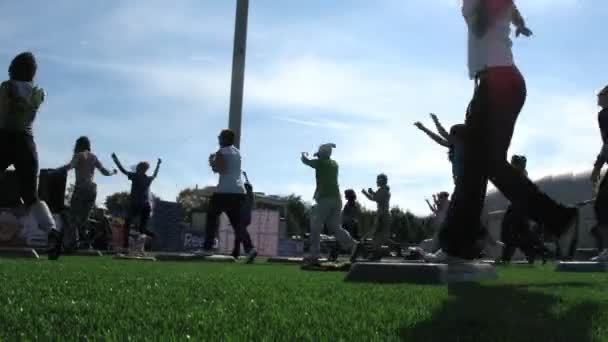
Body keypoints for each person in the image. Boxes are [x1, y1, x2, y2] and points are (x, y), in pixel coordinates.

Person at [431, 0, 579, 263]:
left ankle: (457, 245)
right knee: (483, 166)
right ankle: (459, 245)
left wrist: (476, 11)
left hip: (499, 82)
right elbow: (509, 7)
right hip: (497, 82)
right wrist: (519, 23)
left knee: (479, 164)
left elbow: (480, 27)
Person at [0, 52, 63, 260]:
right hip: (27, 142)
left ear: (12, 68)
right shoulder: (38, 92)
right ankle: (52, 231)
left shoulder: (6, 87)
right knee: (31, 196)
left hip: (4, 138)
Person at [201, 129, 257, 263]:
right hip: (239, 191)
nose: (218, 138)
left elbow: (220, 169)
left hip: (224, 191)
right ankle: (250, 249)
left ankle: (207, 248)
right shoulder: (237, 152)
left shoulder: (221, 152)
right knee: (238, 224)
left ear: (225, 139)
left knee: (211, 217)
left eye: (220, 137)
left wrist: (212, 161)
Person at [300, 143, 358, 266]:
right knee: (335, 227)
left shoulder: (320, 163)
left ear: (323, 154)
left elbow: (305, 160)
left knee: (315, 226)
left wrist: (304, 153)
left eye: (319, 153)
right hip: (337, 199)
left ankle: (314, 255)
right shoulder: (334, 164)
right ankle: (353, 245)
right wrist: (324, 150)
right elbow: (323, 157)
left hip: (326, 199)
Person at [55, 136, 117, 250]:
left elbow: (70, 166)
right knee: (83, 220)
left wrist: (55, 171)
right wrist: (113, 172)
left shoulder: (79, 155)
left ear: (78, 145)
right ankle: (93, 233)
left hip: (81, 189)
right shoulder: (94, 157)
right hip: (92, 190)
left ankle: (73, 244)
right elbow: (105, 172)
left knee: (72, 218)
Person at [500, 155, 548, 264]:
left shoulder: (518, 175)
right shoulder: (521, 174)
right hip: (520, 207)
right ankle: (538, 252)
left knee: (510, 233)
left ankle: (536, 251)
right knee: (522, 232)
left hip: (517, 207)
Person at [111, 153, 161, 250]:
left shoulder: (135, 176)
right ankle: (154, 236)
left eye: (138, 168)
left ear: (140, 169)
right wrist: (158, 165)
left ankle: (125, 246)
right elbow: (155, 175)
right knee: (142, 229)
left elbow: (122, 170)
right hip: (146, 207)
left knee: (127, 225)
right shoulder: (148, 179)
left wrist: (115, 159)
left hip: (136, 205)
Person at [415, 113, 466, 184]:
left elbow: (440, 135)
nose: (450, 136)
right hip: (459, 176)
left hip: (463, 176)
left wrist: (432, 123)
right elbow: (439, 137)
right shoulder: (456, 144)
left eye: (453, 134)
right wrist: (425, 127)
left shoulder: (459, 143)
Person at [353, 174, 392, 261]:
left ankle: (376, 253)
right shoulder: (384, 190)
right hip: (383, 214)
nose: (377, 181)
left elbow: (375, 198)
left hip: (382, 214)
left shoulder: (383, 190)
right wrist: (369, 193)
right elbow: (376, 198)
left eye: (378, 180)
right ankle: (377, 252)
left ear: (382, 181)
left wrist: (367, 193)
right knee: (379, 234)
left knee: (377, 234)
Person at [590, 85, 608, 261]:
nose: (598, 97)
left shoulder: (605, 114)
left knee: (602, 204)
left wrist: (597, 167)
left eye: (601, 95)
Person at [231, 171, 254, 259]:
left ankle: (248, 249)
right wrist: (245, 176)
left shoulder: (245, 196)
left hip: (243, 217)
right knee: (238, 234)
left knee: (241, 233)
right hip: (247, 217)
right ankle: (235, 253)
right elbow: (248, 184)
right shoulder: (250, 195)